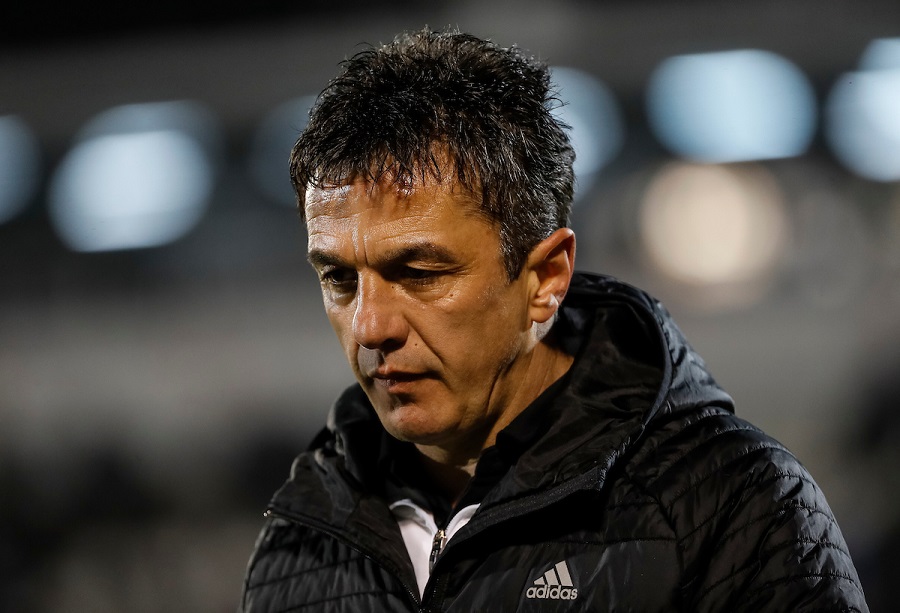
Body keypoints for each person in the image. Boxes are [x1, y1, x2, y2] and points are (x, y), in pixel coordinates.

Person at [239, 28, 868, 612]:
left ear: (545, 279)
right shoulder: (297, 551)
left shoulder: (733, 506)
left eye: (421, 273)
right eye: (339, 279)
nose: (370, 327)